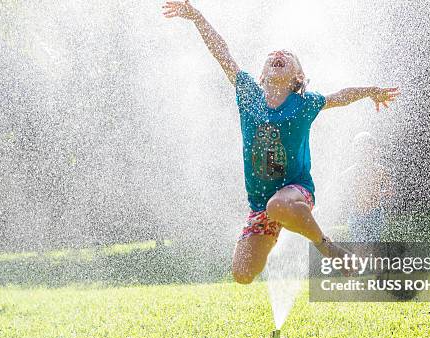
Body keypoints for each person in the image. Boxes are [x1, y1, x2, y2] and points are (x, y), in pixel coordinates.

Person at [163, 1, 399, 284]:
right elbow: (222, 52)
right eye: (272, 54)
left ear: (298, 77)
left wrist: (370, 92)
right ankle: (279, 226)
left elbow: (340, 96)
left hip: (296, 192)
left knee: (279, 206)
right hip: (261, 204)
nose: (278, 54)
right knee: (242, 274)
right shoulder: (248, 94)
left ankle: (326, 246)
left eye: (288, 55)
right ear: (261, 76)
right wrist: (197, 17)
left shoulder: (304, 103)